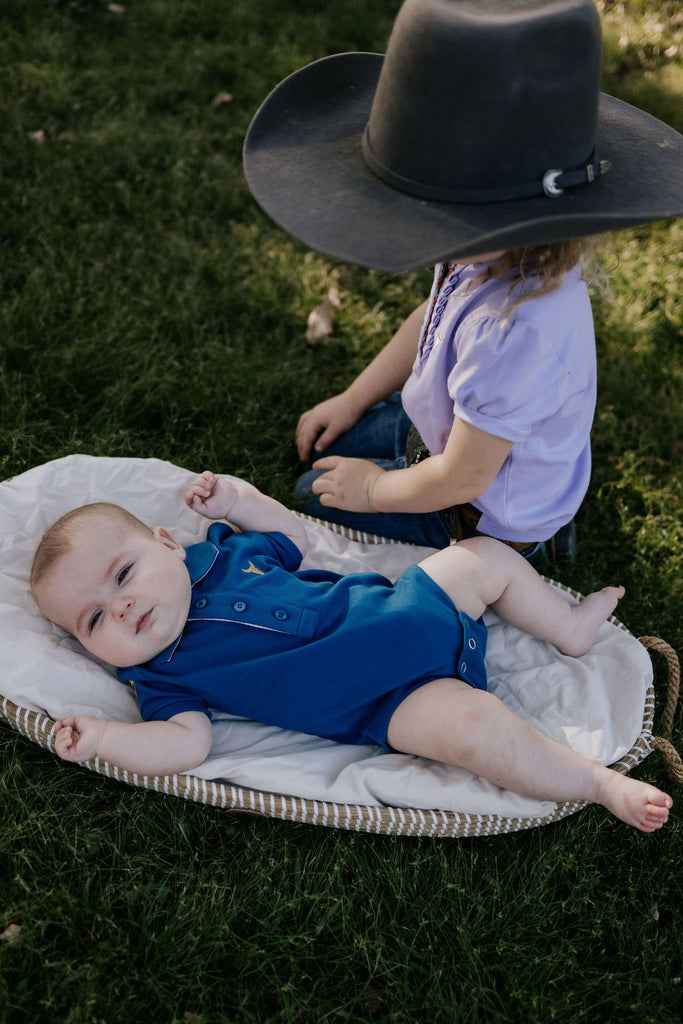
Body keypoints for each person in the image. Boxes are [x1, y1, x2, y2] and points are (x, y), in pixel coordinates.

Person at [243, 0, 683, 556]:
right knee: (324, 451)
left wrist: (375, 488)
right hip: (448, 437)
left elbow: (463, 478)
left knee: (312, 496)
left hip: (477, 507)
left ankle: (534, 544)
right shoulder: (484, 249)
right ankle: (402, 450)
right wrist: (353, 399)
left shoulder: (519, 332)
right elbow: (433, 319)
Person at [30, 470, 671, 833]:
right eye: (93, 619)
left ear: (169, 544)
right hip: (389, 703)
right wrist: (105, 740)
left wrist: (238, 501)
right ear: (90, 649)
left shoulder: (225, 553)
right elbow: (185, 746)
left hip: (407, 603)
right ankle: (597, 783)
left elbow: (292, 534)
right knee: (478, 733)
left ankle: (568, 628)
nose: (120, 607)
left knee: (486, 558)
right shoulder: (163, 675)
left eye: (122, 575)